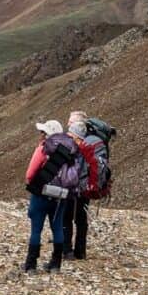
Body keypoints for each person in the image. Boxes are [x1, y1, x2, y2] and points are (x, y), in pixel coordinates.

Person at [23, 119, 79, 273]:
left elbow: (29, 174)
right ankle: (55, 265)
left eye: (43, 132)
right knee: (57, 228)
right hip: (60, 197)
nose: (40, 135)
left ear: (48, 134)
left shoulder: (43, 148)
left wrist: (33, 183)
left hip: (41, 194)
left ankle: (31, 265)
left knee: (36, 230)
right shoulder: (70, 150)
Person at [63, 111, 93, 260]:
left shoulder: (74, 144)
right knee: (81, 218)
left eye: (71, 122)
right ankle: (80, 251)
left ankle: (67, 250)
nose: (68, 124)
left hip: (72, 186)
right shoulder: (91, 144)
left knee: (66, 216)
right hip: (86, 187)